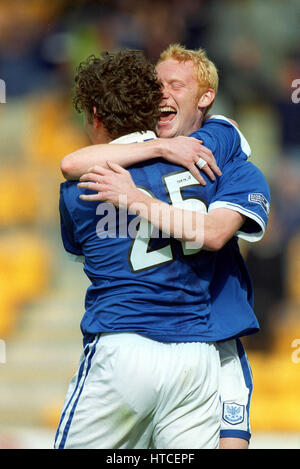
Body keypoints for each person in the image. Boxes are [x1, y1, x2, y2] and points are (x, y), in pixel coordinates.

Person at [61, 44, 271, 449]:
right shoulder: (224, 166)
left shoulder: (96, 178)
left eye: (175, 84)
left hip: (207, 341)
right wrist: (159, 148)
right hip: (193, 357)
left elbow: (213, 234)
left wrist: (139, 198)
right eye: (155, 85)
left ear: (205, 97)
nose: (162, 94)